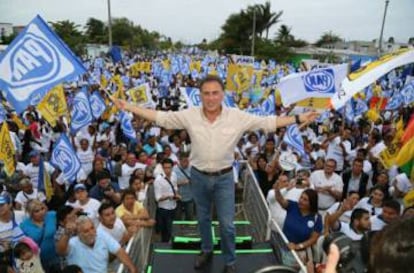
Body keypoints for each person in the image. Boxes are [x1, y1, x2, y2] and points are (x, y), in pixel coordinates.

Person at [111, 75, 318, 273]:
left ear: (222, 94)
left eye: (215, 93)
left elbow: (268, 122)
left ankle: (230, 260)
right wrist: (127, 106)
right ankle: (207, 250)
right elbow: (161, 117)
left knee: (227, 225)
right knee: (202, 219)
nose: (211, 98)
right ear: (200, 95)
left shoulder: (237, 116)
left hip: (224, 178)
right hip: (199, 176)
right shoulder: (190, 115)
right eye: (206, 93)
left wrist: (299, 117)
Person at [56, 216, 138, 273]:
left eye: (92, 228)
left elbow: (119, 251)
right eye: (86, 231)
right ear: (78, 233)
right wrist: (67, 233)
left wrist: (132, 269)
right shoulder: (72, 243)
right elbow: (60, 251)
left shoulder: (100, 234)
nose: (91, 233)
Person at [20, 199, 59, 272]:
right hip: (39, 260)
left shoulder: (52, 215)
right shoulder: (24, 225)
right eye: (37, 211)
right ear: (31, 213)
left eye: (42, 208)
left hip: (56, 256)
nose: (41, 212)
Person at [153, 158, 180, 242]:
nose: (167, 170)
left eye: (169, 167)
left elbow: (175, 187)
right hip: (164, 209)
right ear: (162, 168)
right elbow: (157, 198)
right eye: (165, 168)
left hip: (174, 206)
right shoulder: (158, 180)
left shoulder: (174, 175)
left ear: (172, 167)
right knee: (166, 231)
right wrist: (169, 196)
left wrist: (176, 195)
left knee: (175, 228)